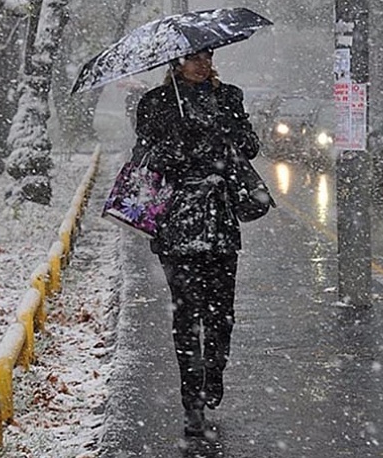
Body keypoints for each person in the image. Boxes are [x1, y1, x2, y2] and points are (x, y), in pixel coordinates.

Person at [133, 49, 260, 437]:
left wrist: (228, 131)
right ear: (176, 63)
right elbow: (143, 158)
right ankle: (192, 401)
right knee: (187, 317)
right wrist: (176, 146)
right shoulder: (156, 103)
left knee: (221, 315)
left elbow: (251, 147)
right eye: (193, 58)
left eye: (207, 56)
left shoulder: (228, 96)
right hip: (177, 224)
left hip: (220, 222)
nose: (202, 64)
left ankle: (213, 371)